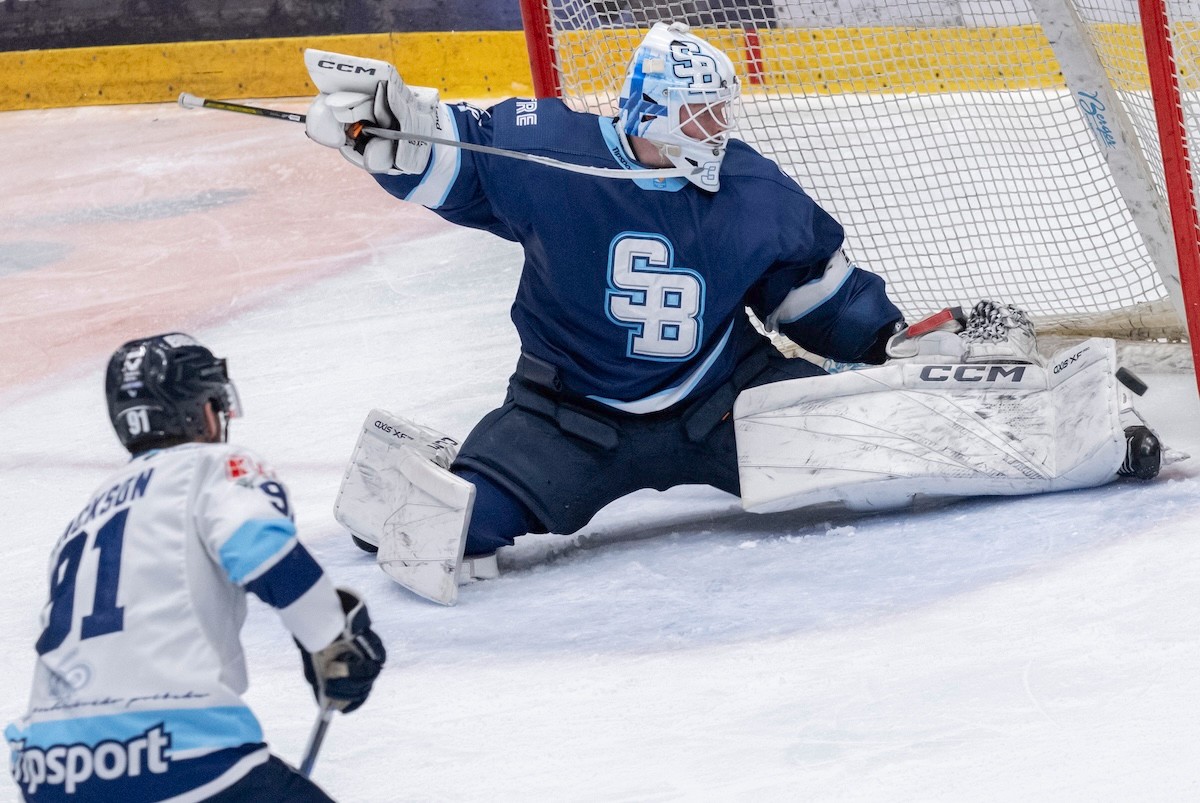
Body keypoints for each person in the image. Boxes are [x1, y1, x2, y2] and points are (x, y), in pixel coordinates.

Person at [302, 23, 1162, 604]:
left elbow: (808, 293)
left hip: (723, 400)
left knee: (881, 445)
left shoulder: (748, 188)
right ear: (653, 105)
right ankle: (413, 477)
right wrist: (391, 137)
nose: (717, 127)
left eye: (722, 111)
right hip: (566, 416)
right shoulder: (549, 150)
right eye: (701, 111)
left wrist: (884, 343)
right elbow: (448, 158)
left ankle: (1067, 440)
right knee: (446, 535)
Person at [6, 333, 386, 801]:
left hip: (49, 769)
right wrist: (331, 639)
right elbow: (260, 549)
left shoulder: (86, 516)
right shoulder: (212, 467)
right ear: (203, 412)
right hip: (171, 753)